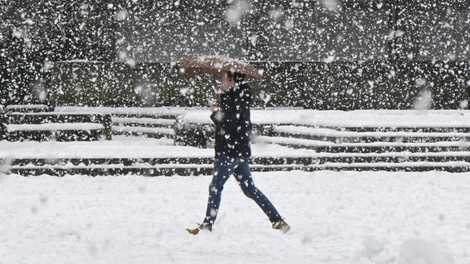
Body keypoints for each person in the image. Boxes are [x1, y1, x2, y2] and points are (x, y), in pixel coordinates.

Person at [187, 71, 290, 235]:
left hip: (229, 153)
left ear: (231, 80)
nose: (220, 81)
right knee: (250, 189)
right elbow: (240, 124)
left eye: (223, 78)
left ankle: (207, 225)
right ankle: (277, 220)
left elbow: (228, 126)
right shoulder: (241, 97)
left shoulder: (232, 98)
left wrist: (214, 113)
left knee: (215, 187)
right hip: (239, 152)